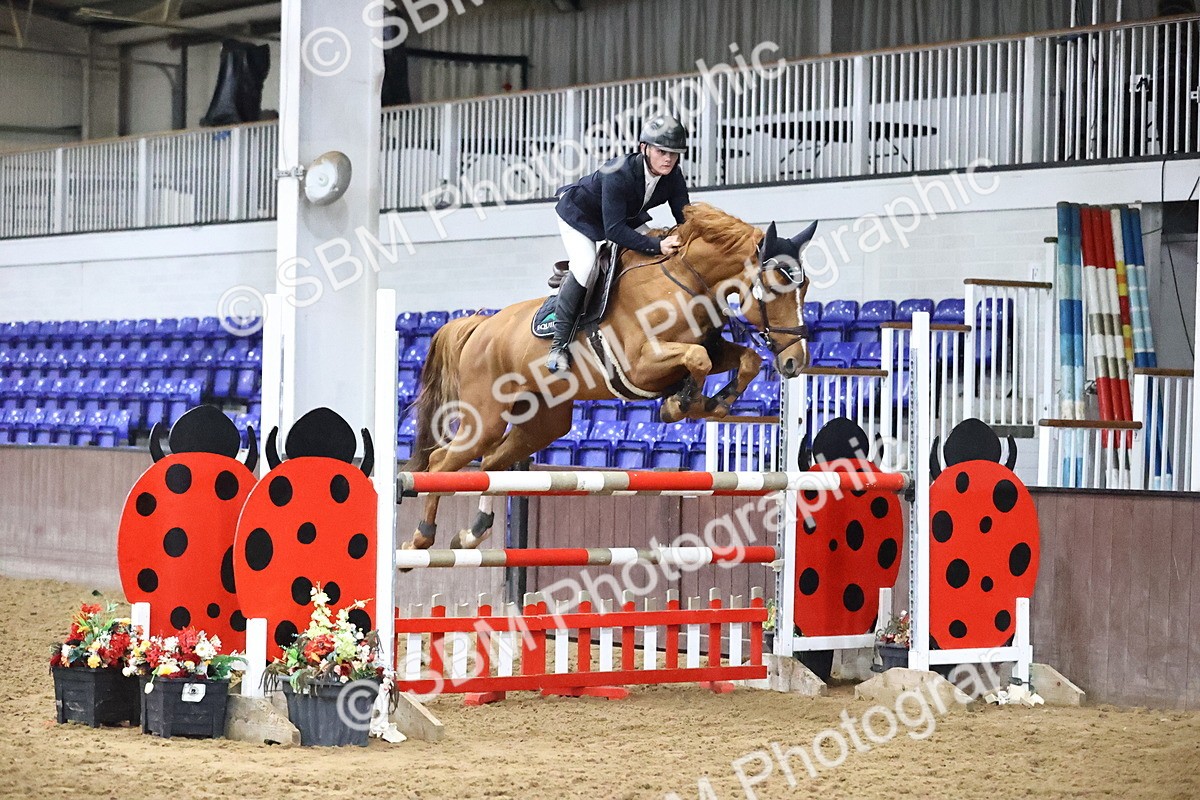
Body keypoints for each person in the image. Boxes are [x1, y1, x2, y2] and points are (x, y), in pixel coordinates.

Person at [546, 113, 692, 372]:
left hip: (624, 215)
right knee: (586, 265)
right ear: (644, 148)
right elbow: (614, 231)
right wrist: (658, 244)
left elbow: (684, 217)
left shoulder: (673, 175)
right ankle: (558, 346)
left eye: (674, 153)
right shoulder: (618, 172)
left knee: (661, 251)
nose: (668, 158)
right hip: (580, 215)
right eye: (662, 152)